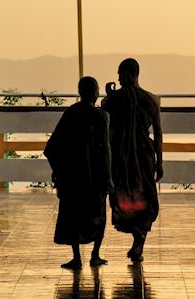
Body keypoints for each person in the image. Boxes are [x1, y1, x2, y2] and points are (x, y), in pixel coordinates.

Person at [44, 76, 114, 270]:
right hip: (95, 177)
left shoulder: (70, 113)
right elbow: (106, 150)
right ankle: (95, 254)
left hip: (72, 177)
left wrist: (58, 171)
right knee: (99, 214)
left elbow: (51, 148)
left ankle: (76, 258)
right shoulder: (101, 116)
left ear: (80, 92)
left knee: (73, 216)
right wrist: (108, 178)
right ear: (95, 93)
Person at [101, 58, 163, 262]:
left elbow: (105, 118)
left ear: (130, 74)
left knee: (125, 196)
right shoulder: (152, 100)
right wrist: (160, 160)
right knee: (144, 195)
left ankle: (138, 238)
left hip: (123, 155)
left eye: (121, 74)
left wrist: (109, 97)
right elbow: (158, 134)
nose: (118, 78)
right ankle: (139, 240)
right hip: (144, 155)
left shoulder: (115, 99)